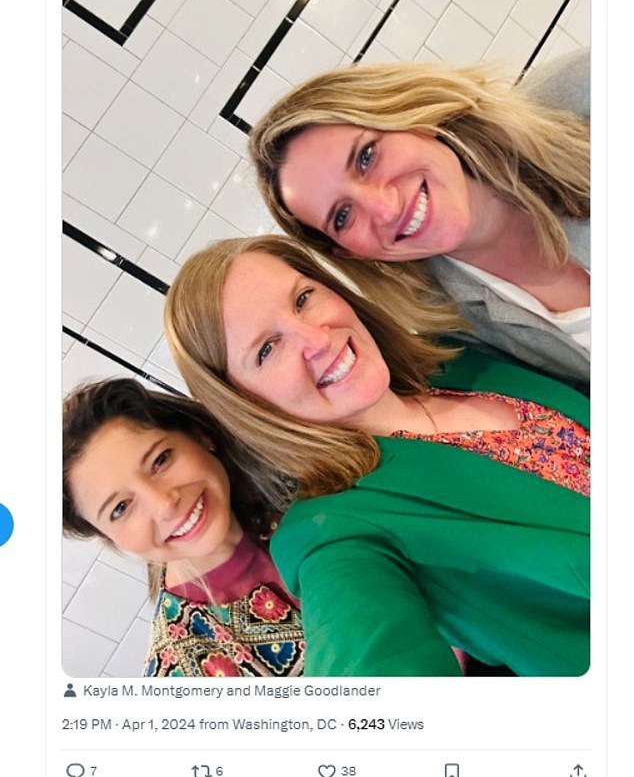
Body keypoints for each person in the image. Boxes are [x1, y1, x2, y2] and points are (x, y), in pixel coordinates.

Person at [164, 234, 590, 678]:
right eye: (267, 349)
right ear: (243, 403)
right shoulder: (330, 534)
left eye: (303, 298)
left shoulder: (457, 356)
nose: (315, 339)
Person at [248, 52, 590, 391]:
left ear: (410, 115)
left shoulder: (579, 96)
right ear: (349, 252)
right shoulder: (458, 332)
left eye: (367, 157)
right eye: (342, 216)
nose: (385, 207)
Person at [63, 378, 304, 677]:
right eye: (121, 508)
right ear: (109, 538)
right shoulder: (181, 673)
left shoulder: (307, 474)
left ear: (199, 436)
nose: (164, 504)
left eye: (160, 460)